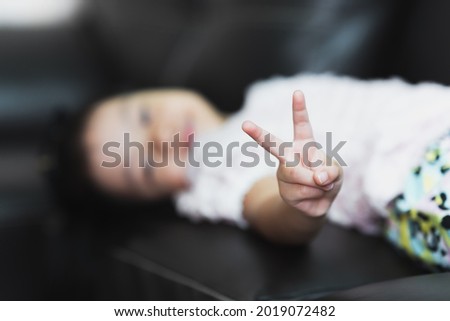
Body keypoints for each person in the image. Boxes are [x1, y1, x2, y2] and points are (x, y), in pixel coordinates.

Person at [49, 73, 450, 269]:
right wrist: (295, 200)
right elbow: (264, 208)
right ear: (160, 198)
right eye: (149, 167)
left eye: (143, 114)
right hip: (416, 180)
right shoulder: (210, 176)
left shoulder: (267, 92)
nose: (160, 136)